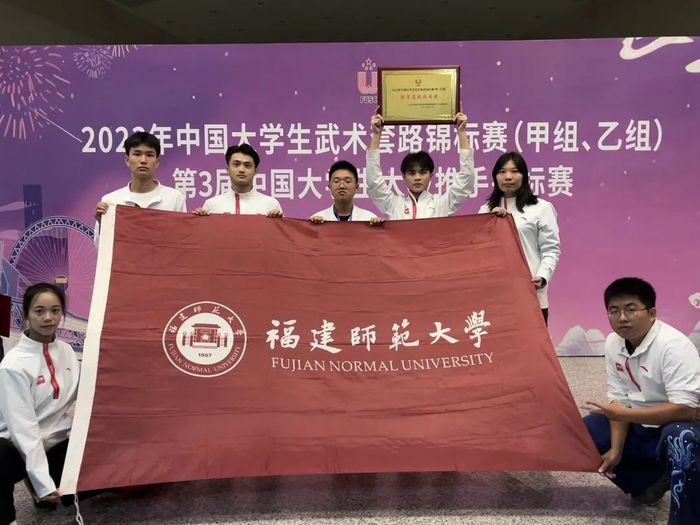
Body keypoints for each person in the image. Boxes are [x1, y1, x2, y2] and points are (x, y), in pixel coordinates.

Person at [584, 277, 699, 525]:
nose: (622, 318)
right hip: (643, 425)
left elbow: (686, 410)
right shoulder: (613, 342)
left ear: (652, 313)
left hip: (683, 425)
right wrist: (615, 450)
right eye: (614, 311)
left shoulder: (673, 346)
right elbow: (619, 399)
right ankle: (650, 483)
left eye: (631, 309)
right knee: (588, 429)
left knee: (680, 437)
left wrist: (624, 414)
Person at [0, 283, 80, 525]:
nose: (48, 318)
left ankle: (49, 484)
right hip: (17, 446)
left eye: (55, 310)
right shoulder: (13, 365)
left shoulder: (66, 350)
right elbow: (24, 429)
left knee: (103, 480)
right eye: (39, 311)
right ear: (26, 314)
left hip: (55, 441)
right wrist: (42, 481)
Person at [478, 152, 560, 323]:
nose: (508, 177)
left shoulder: (541, 208)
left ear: (524, 176)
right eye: (502, 171)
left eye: (514, 171)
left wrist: (542, 277)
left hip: (531, 291)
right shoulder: (485, 210)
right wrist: (491, 223)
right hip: (496, 296)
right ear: (495, 177)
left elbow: (551, 249)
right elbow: (480, 251)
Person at [365, 106, 474, 219]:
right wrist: (376, 134)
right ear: (403, 176)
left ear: (431, 175)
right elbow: (374, 183)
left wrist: (462, 131)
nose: (417, 178)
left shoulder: (441, 204)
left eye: (422, 172)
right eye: (412, 173)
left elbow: (465, 180)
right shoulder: (394, 205)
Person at [94, 132, 187, 238]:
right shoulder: (110, 201)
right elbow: (101, 246)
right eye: (137, 154)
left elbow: (182, 240)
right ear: (127, 160)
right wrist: (102, 224)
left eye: (149, 155)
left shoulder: (174, 198)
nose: (143, 160)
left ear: (157, 162)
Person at [193, 144, 283, 217]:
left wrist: (277, 222)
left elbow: (280, 233)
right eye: (236, 164)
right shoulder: (212, 205)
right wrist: (198, 220)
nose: (241, 170)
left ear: (256, 171)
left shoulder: (271, 205)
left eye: (247, 165)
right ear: (227, 169)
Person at [309, 160, 383, 225]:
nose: (342, 186)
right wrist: (313, 227)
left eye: (347, 181)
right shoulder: (318, 220)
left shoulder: (368, 219)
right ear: (329, 187)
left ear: (356, 187)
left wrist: (378, 228)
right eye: (336, 181)